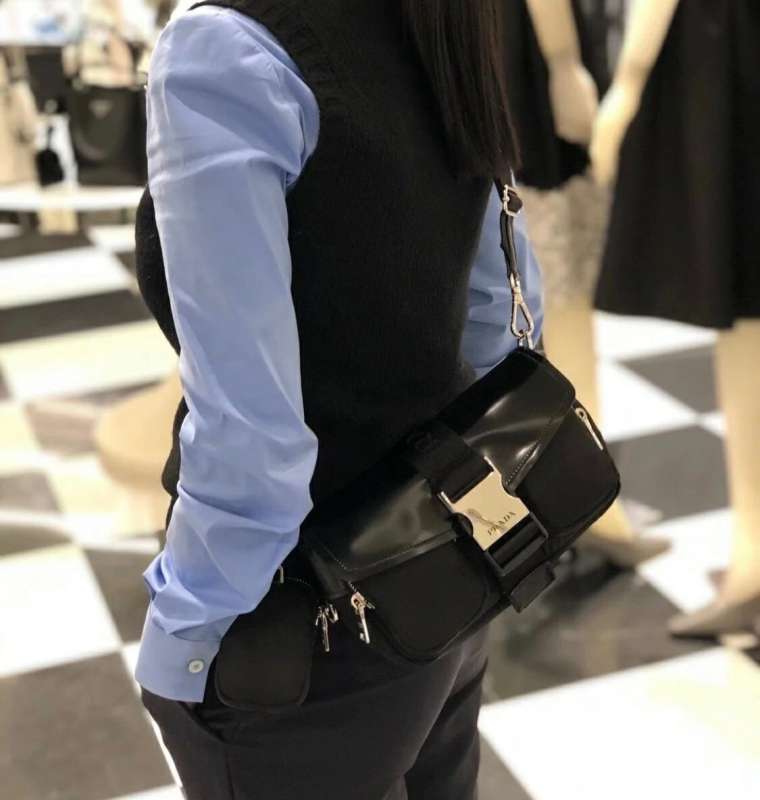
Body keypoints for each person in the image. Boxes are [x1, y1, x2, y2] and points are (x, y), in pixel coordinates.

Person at [134, 1, 544, 798]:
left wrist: (184, 644)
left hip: (300, 623)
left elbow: (252, 438)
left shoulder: (223, 51)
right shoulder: (436, 20)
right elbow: (497, 316)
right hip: (440, 569)